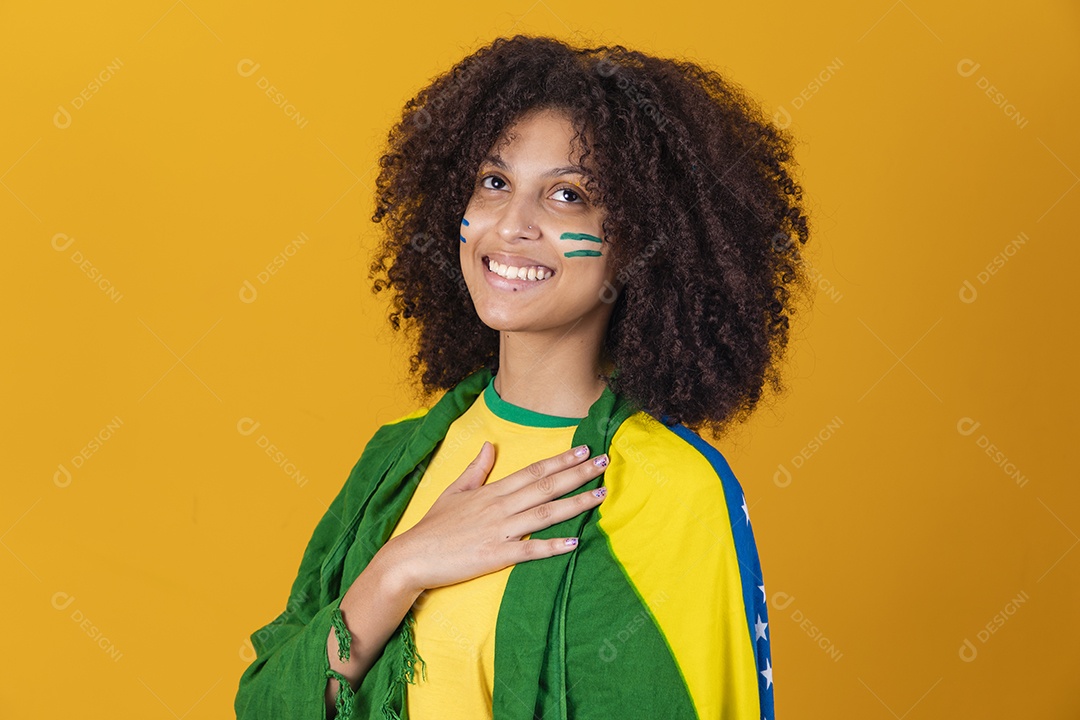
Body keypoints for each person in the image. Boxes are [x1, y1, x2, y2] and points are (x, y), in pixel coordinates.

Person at [235, 33, 812, 720]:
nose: (512, 226)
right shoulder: (396, 461)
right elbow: (269, 704)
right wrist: (401, 567)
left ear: (639, 237)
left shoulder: (670, 490)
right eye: (495, 182)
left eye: (566, 195)